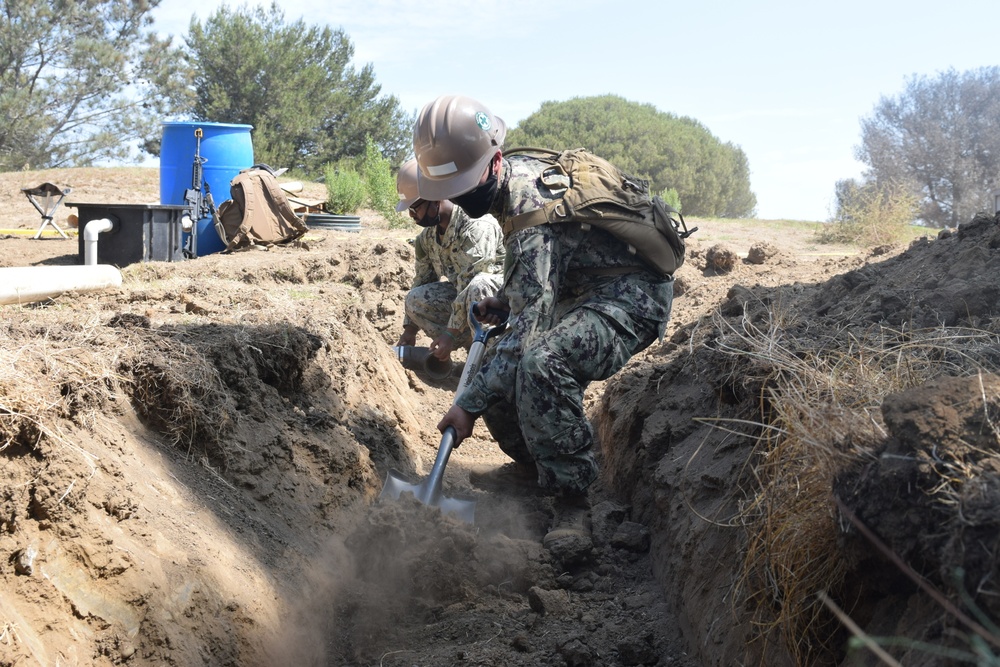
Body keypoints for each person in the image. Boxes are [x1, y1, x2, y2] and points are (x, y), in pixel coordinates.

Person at [413, 95, 675, 554]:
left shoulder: (529, 205)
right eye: (449, 189)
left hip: (629, 298)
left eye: (464, 183)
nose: (458, 196)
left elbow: (529, 331)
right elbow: (537, 282)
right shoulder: (507, 183)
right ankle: (536, 466)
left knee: (539, 362)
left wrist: (467, 406)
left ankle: (573, 503)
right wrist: (506, 301)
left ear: (494, 161)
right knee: (495, 358)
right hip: (579, 292)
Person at [394, 159, 505, 363]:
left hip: (501, 303)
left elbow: (473, 285)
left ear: (435, 198)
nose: (412, 217)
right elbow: (423, 280)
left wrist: (449, 334)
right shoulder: (427, 238)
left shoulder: (475, 227)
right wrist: (410, 330)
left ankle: (494, 360)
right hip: (467, 299)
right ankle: (470, 345)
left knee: (478, 286)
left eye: (414, 209)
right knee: (415, 299)